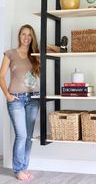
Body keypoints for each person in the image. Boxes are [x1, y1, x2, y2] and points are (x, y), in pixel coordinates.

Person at [0, 24, 40, 180]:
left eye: (29, 35)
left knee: (28, 136)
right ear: (19, 36)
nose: (26, 37)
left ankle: (24, 167)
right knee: (21, 135)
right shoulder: (10, 54)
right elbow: (1, 76)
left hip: (33, 99)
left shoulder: (35, 55)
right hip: (16, 99)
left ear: (32, 38)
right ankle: (18, 169)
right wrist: (8, 96)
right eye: (23, 34)